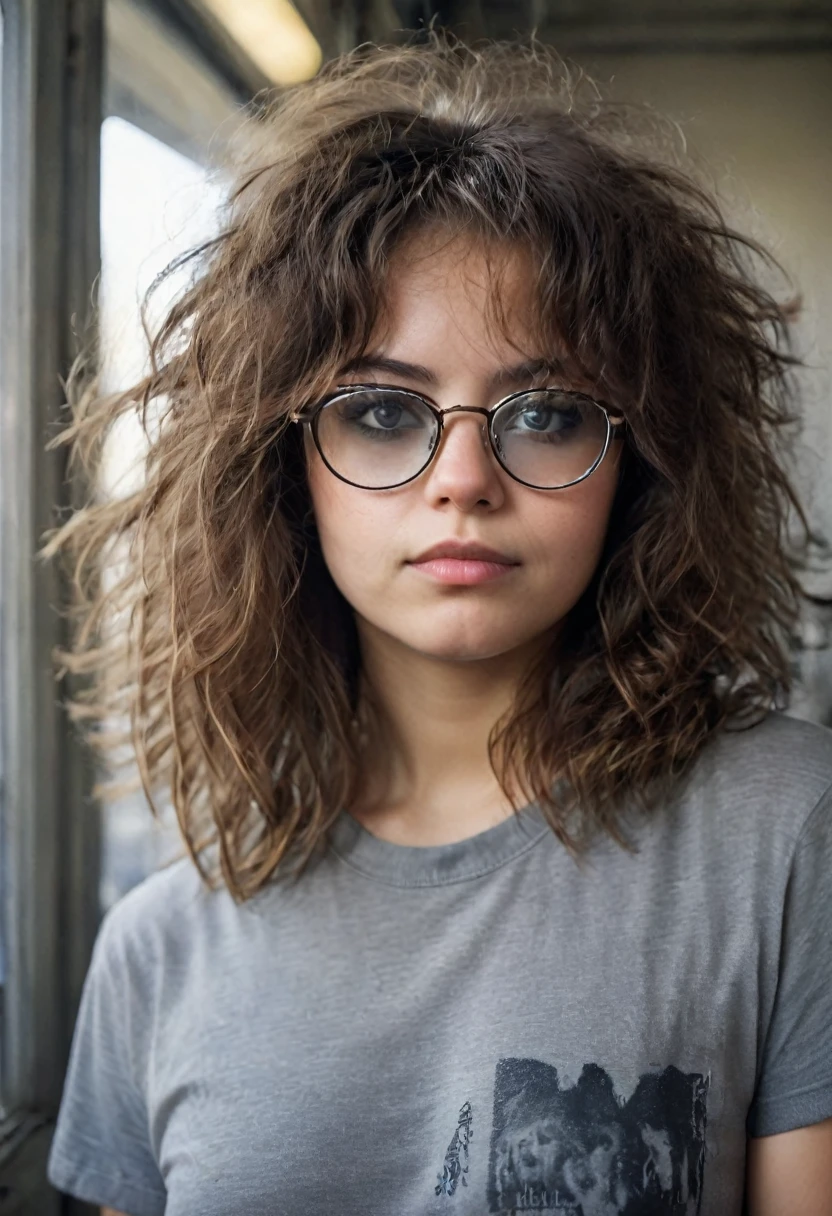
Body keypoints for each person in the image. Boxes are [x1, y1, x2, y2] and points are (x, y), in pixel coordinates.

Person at [43, 30, 832, 1216]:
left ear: (642, 460)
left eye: (548, 411)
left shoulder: (787, 835)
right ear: (280, 466)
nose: (462, 475)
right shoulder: (160, 946)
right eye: (379, 410)